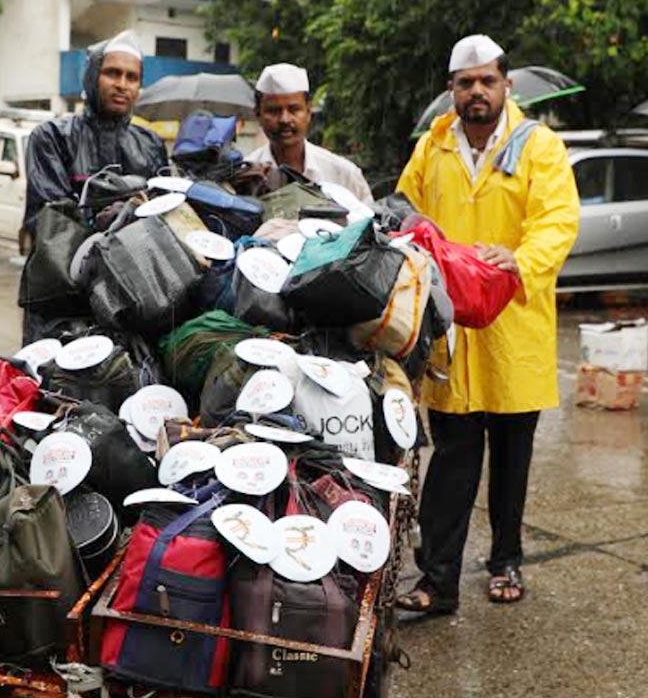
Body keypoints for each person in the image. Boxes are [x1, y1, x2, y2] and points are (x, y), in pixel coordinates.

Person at [394, 34, 579, 613]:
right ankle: (438, 580)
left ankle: (506, 561)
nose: (477, 91)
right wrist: (417, 232)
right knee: (452, 457)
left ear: (506, 85)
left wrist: (519, 259)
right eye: (465, 82)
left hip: (512, 323)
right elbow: (405, 204)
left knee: (511, 457)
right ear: (451, 89)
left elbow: (557, 221)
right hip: (452, 327)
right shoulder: (434, 145)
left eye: (487, 81)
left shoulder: (538, 146)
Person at [24, 30, 168, 230]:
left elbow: (164, 216)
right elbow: (51, 223)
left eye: (132, 77)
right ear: (92, 77)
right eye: (112, 73)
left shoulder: (150, 144)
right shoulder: (53, 137)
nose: (122, 85)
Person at [244, 63, 373, 203]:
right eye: (274, 111)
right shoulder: (245, 176)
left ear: (308, 112)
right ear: (258, 114)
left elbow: (370, 222)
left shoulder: (343, 174)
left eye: (294, 109)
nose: (284, 119)